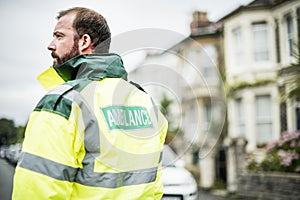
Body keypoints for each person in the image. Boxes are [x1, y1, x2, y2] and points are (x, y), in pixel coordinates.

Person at [12, 7, 168, 200]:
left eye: (59, 36)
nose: (51, 45)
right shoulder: (147, 103)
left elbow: (37, 191)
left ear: (84, 41)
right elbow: (155, 189)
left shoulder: (63, 102)